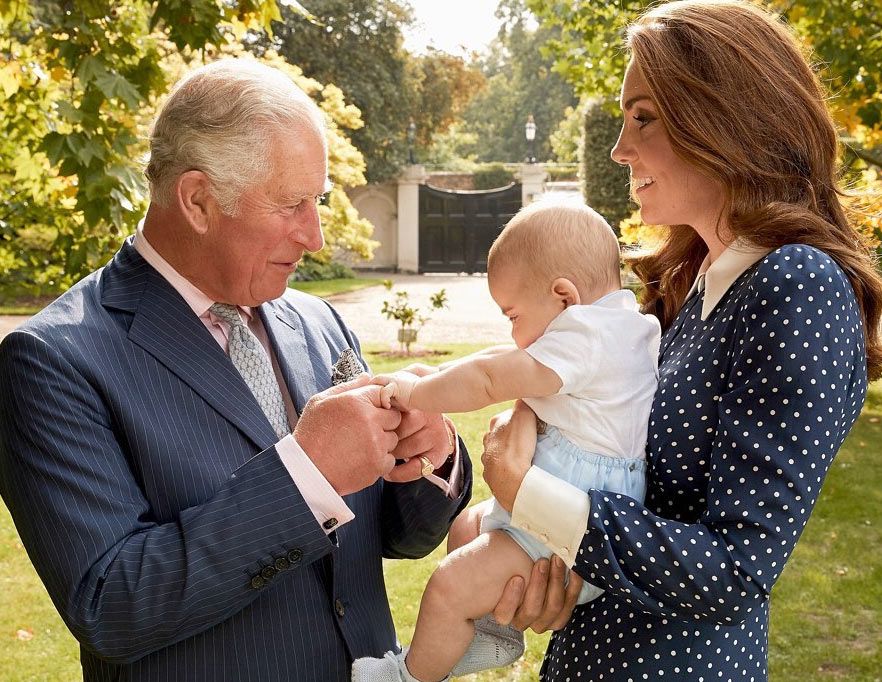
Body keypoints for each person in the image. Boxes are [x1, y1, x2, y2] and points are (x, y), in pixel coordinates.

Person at [0, 59, 570, 682]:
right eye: (294, 204)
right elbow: (113, 606)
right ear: (197, 200)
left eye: (318, 200)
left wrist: (430, 458)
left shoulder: (316, 321)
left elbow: (396, 538)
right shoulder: (53, 360)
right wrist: (306, 472)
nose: (317, 236)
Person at [477, 1, 882, 680]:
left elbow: (735, 569)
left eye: (643, 117)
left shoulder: (796, 284)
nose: (619, 150)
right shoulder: (696, 290)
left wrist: (525, 491)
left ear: (727, 119)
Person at [352, 201, 661, 682]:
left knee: (448, 586)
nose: (513, 332)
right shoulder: (618, 325)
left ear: (563, 296)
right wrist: (439, 372)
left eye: (513, 314)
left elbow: (492, 378)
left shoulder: (588, 336)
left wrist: (420, 393)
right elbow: (502, 356)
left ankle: (405, 676)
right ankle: (492, 637)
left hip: (568, 520)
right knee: (466, 529)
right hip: (569, 506)